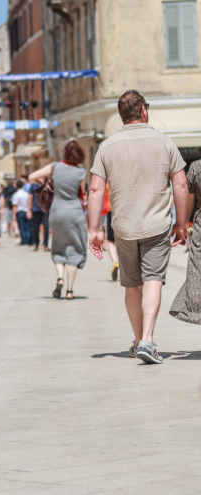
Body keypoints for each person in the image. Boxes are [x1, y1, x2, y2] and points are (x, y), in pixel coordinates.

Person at [87, 89, 189, 364]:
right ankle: (147, 340)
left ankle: (136, 341)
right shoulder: (164, 141)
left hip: (123, 227)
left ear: (122, 115)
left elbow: (95, 190)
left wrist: (94, 230)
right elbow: (180, 184)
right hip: (156, 225)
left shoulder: (107, 146)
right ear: (144, 110)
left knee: (132, 285)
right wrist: (181, 224)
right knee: (153, 279)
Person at [29, 141, 88, 299]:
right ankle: (69, 291)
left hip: (57, 211)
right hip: (74, 212)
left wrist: (46, 184)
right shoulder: (81, 172)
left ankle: (60, 277)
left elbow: (32, 176)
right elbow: (82, 194)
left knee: (58, 246)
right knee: (75, 249)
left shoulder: (55, 167)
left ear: (64, 152)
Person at [171, 159, 201, 323]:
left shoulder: (197, 167)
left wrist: (182, 224)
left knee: (197, 270)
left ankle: (196, 309)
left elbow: (189, 198)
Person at [26, 176, 50, 251]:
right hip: (36, 209)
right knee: (35, 228)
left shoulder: (48, 184)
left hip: (45, 210)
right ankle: (36, 244)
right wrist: (29, 210)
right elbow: (30, 198)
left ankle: (45, 245)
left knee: (46, 227)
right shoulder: (33, 186)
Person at [11, 180, 31, 246]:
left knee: (22, 227)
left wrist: (14, 215)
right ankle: (28, 240)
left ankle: (24, 241)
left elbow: (15, 206)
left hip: (20, 212)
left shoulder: (16, 195)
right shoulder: (26, 193)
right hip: (27, 211)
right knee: (27, 227)